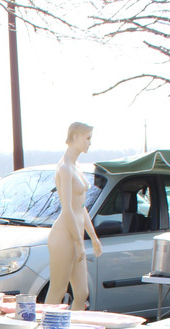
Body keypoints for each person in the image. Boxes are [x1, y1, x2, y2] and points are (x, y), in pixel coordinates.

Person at [45, 122, 102, 311]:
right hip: (64, 235)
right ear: (75, 137)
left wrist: (93, 237)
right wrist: (78, 243)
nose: (89, 143)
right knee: (58, 289)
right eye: (87, 138)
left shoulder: (75, 167)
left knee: (82, 292)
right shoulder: (65, 168)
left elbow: (80, 208)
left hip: (76, 233)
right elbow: (68, 208)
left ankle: (73, 327)